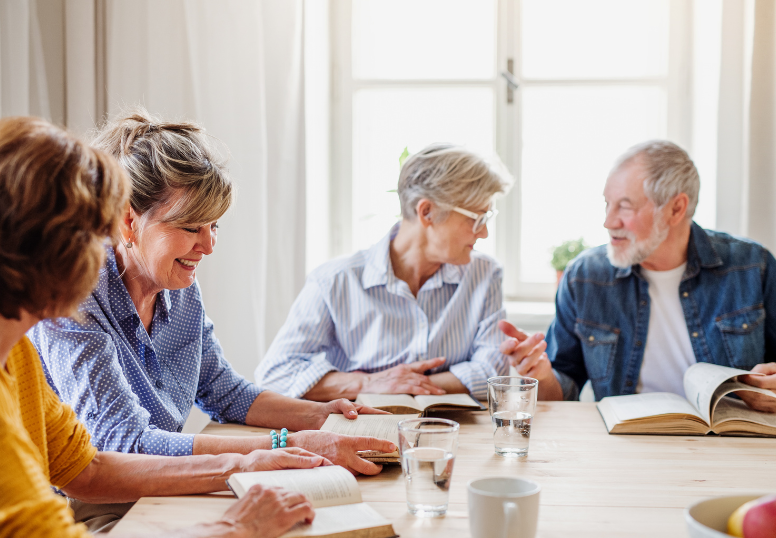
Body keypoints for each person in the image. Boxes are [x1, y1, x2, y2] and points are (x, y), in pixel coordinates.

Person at [0, 115, 326, 538]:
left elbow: (88, 469)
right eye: (88, 232)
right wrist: (230, 529)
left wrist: (252, 459)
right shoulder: (70, 311)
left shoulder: (16, 353)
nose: (100, 250)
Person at [29, 109, 394, 480]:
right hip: (82, 506)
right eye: (190, 227)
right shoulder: (75, 299)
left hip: (161, 485)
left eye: (214, 225)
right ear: (128, 220)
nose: (208, 245)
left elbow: (221, 390)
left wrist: (322, 415)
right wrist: (286, 445)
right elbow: (123, 443)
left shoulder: (178, 285)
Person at [501, 140, 776, 411]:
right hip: (625, 446)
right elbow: (561, 392)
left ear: (676, 208)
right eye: (607, 204)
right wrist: (540, 374)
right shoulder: (584, 277)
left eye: (625, 206)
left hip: (731, 446)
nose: (609, 222)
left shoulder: (754, 266)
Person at [256, 143, 544, 402]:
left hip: (455, 435)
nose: (484, 232)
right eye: (477, 218)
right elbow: (275, 375)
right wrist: (370, 383)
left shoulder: (484, 273)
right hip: (356, 435)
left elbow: (492, 370)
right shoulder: (334, 281)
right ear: (427, 212)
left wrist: (405, 386)